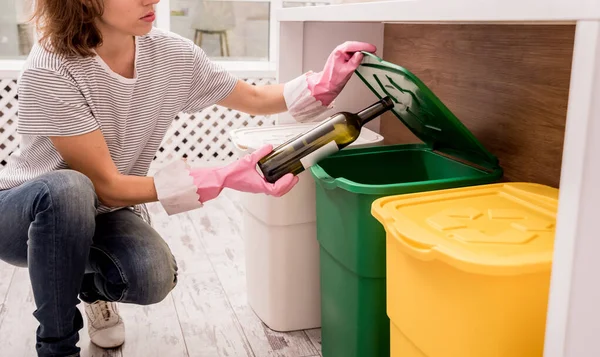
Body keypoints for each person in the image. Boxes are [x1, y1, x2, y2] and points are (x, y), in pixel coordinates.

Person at [0, 0, 376, 356]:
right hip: (24, 214)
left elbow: (257, 98)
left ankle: (88, 286)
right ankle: (56, 346)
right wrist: (223, 176)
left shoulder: (169, 55)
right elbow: (107, 186)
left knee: (152, 275)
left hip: (102, 210)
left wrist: (322, 84)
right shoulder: (51, 66)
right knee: (70, 188)